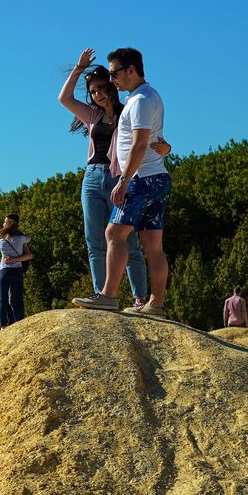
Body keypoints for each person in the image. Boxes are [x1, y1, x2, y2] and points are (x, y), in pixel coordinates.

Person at [59, 48, 172, 305]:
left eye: (113, 75)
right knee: (148, 243)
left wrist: (123, 180)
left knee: (115, 235)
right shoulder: (141, 98)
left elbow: (141, 144)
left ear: (130, 70)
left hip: (135, 177)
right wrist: (78, 68)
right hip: (135, 176)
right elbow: (149, 139)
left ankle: (113, 297)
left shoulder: (138, 101)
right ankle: (155, 304)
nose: (110, 82)